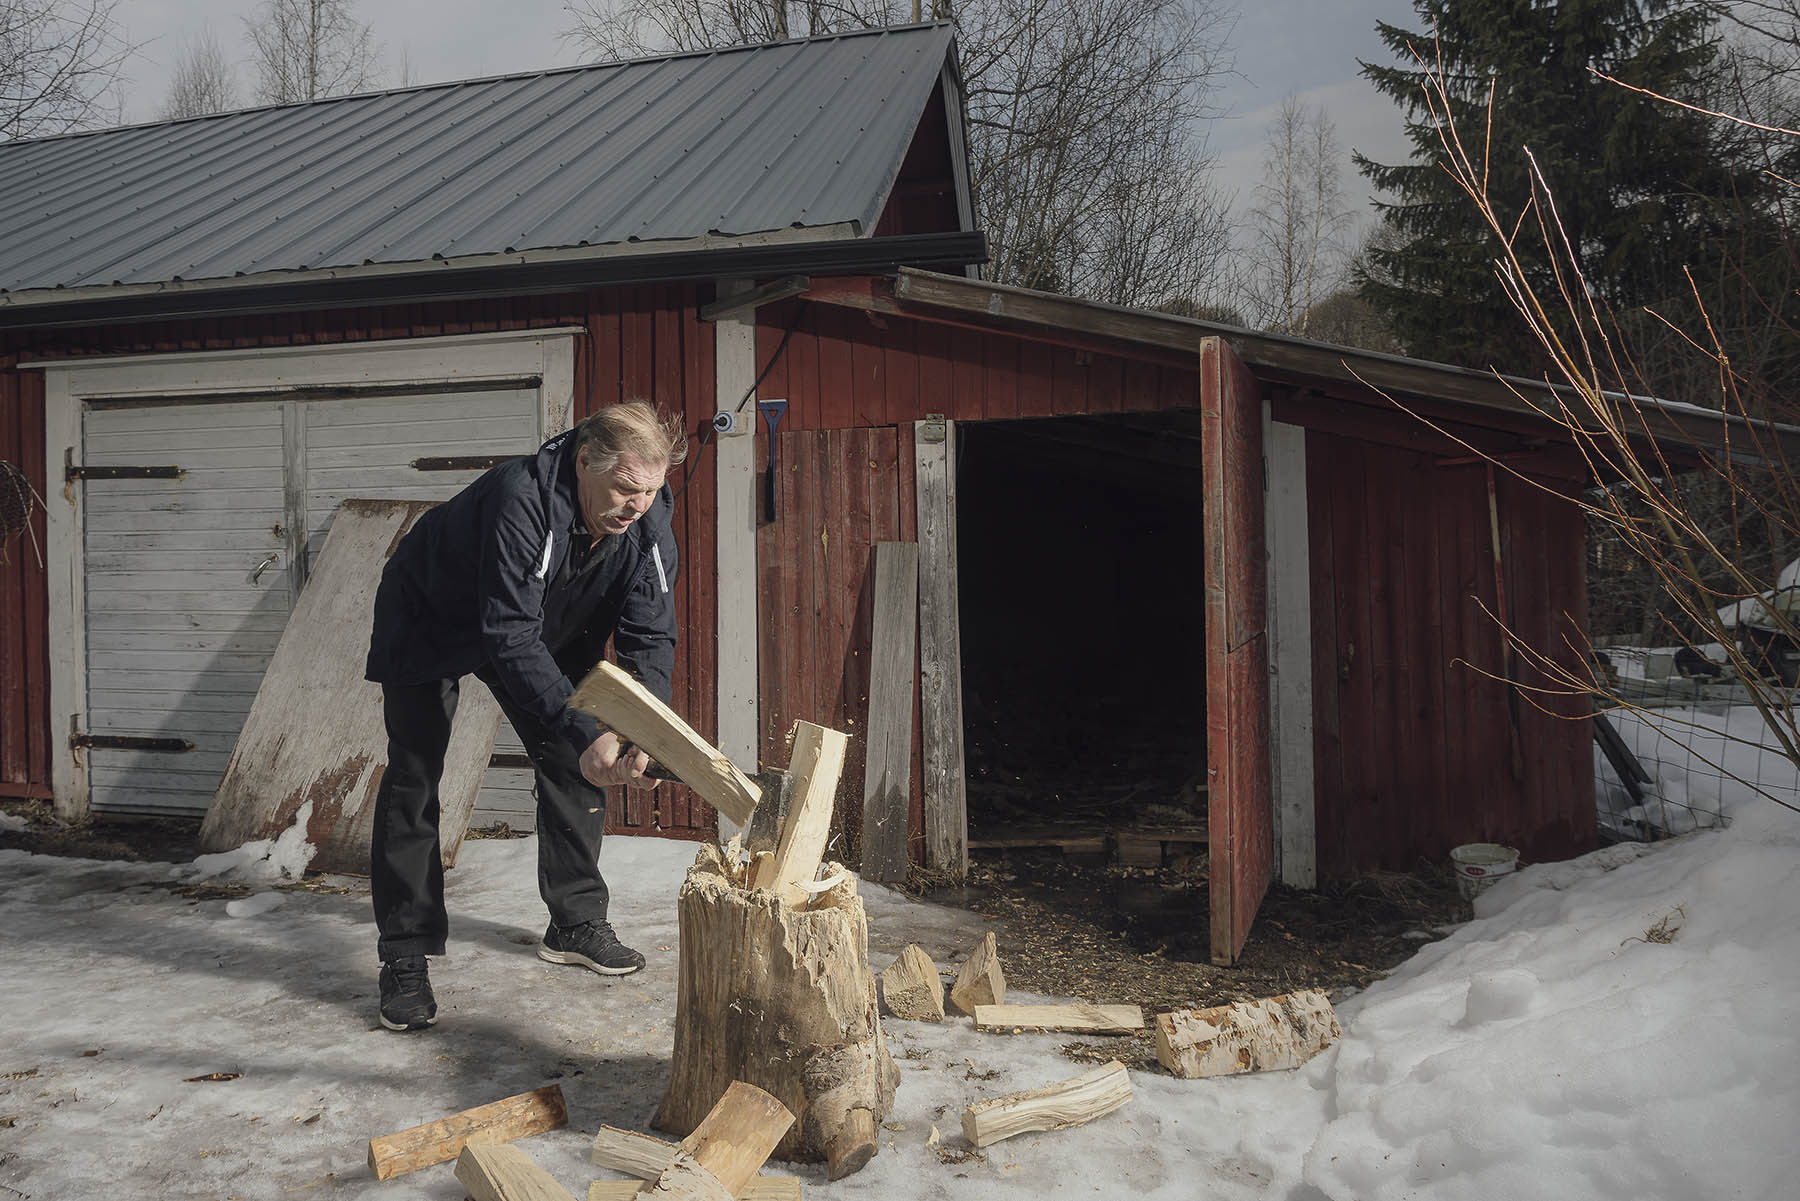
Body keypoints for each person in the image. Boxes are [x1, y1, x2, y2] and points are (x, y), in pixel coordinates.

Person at [363, 400, 687, 1031]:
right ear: (584, 460)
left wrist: (638, 729)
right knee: (415, 775)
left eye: (651, 489)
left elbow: (650, 633)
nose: (638, 504)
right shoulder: (522, 498)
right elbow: (508, 633)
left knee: (573, 754)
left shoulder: (648, 521)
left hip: (537, 623)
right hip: (431, 615)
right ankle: (404, 953)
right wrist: (586, 729)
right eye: (625, 487)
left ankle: (575, 922)